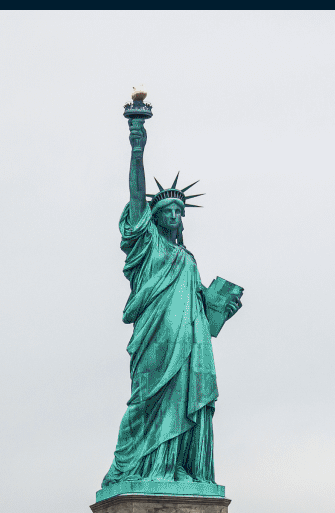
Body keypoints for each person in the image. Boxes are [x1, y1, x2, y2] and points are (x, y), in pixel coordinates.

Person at [102, 107, 242, 493]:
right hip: (156, 337)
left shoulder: (188, 259)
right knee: (146, 400)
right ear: (155, 216)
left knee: (183, 400)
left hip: (190, 342)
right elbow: (136, 196)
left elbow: (201, 310)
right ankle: (136, 467)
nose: (176, 216)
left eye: (181, 211)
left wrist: (221, 308)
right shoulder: (146, 245)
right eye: (168, 210)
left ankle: (176, 467)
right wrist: (137, 145)